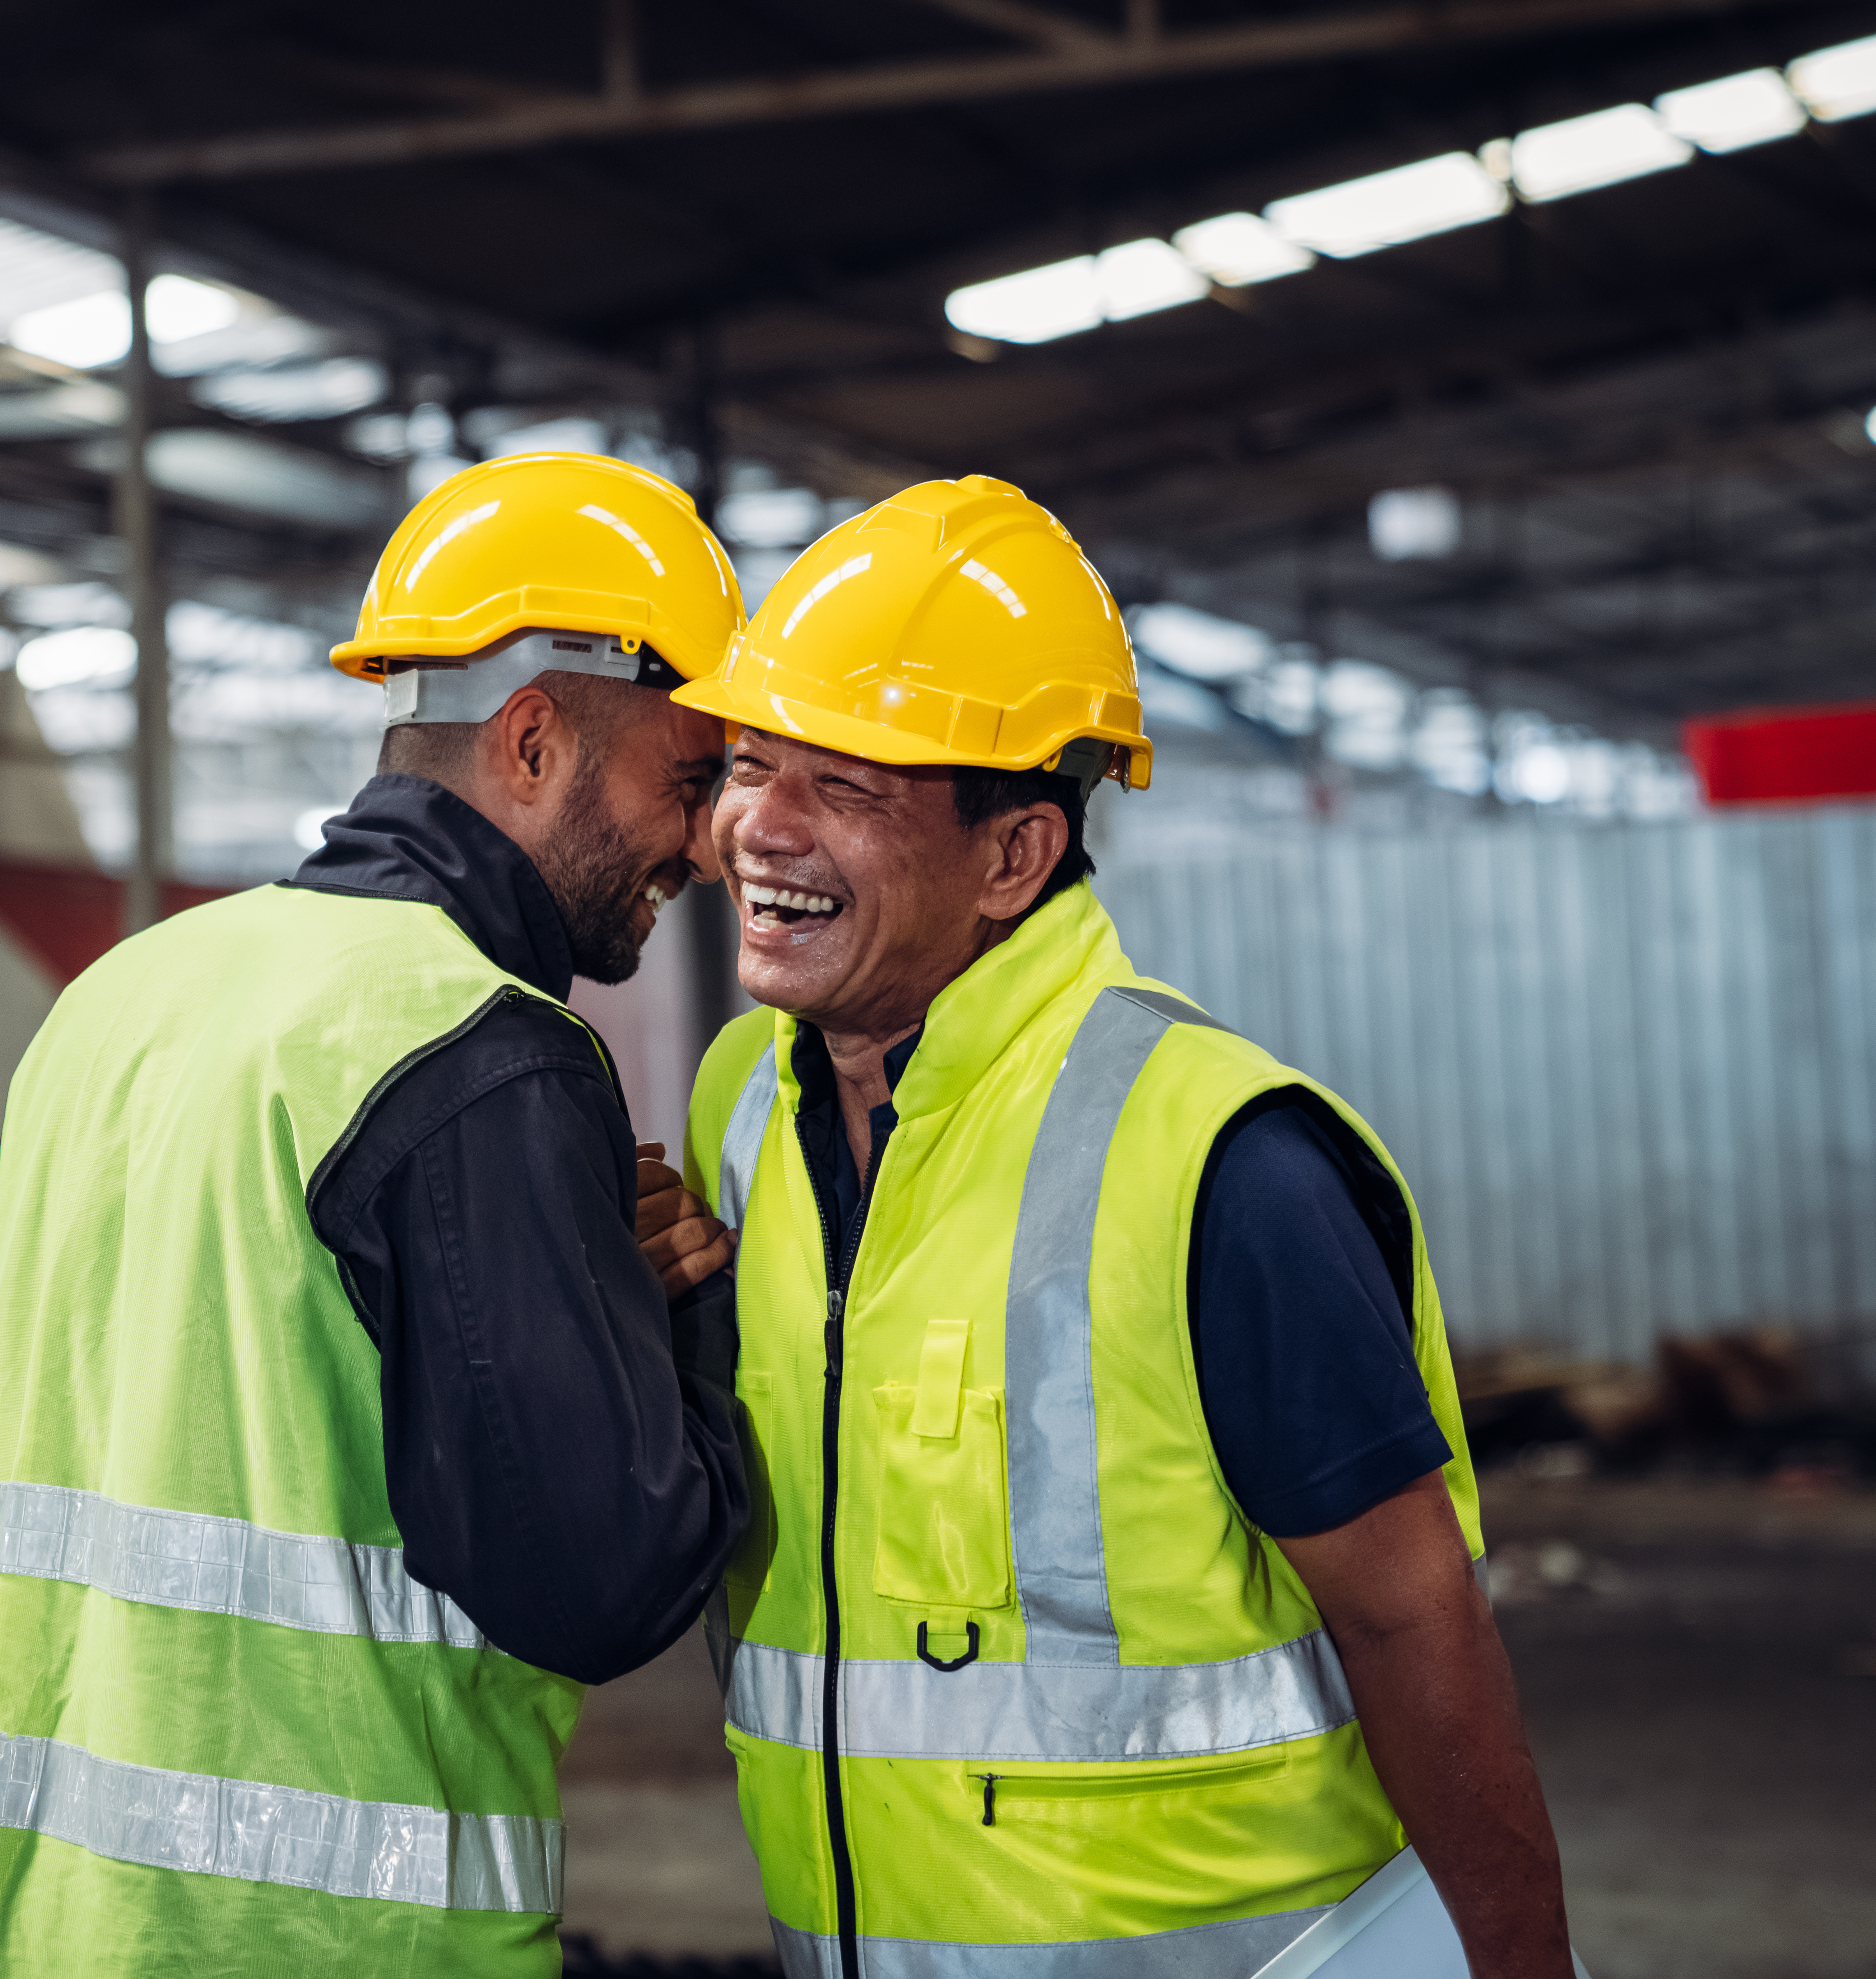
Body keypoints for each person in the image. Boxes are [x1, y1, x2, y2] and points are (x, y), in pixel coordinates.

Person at [660, 476, 1573, 1977]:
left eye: (849, 785)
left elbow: (1418, 1624)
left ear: (1015, 856)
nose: (765, 826)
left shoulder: (1221, 1159)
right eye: (754, 763)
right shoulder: (738, 1114)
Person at [0, 452, 753, 1978]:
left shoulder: (127, 996)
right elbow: (596, 1578)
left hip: (31, 1925)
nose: (705, 846)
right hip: (323, 1937)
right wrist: (669, 1329)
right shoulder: (480, 1049)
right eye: (690, 780)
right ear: (532, 739)